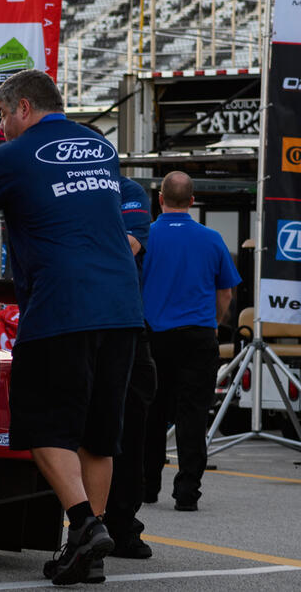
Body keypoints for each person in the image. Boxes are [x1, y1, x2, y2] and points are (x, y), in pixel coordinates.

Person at [0, 70, 143, 586]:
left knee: (41, 427)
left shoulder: (11, 157)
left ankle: (84, 525)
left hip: (63, 306)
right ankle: (91, 552)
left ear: (22, 107)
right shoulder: (98, 145)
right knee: (99, 438)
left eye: (0, 115)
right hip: (124, 306)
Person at [142, 171, 240, 513]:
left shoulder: (145, 236)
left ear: (160, 198)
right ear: (193, 201)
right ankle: (187, 492)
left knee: (151, 413)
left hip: (153, 336)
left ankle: (147, 486)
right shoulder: (212, 239)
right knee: (193, 414)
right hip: (198, 336)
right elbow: (225, 292)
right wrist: (212, 323)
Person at [104, 176, 157, 559]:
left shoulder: (128, 191)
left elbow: (129, 245)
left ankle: (122, 524)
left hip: (125, 322)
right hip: (71, 319)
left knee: (130, 425)